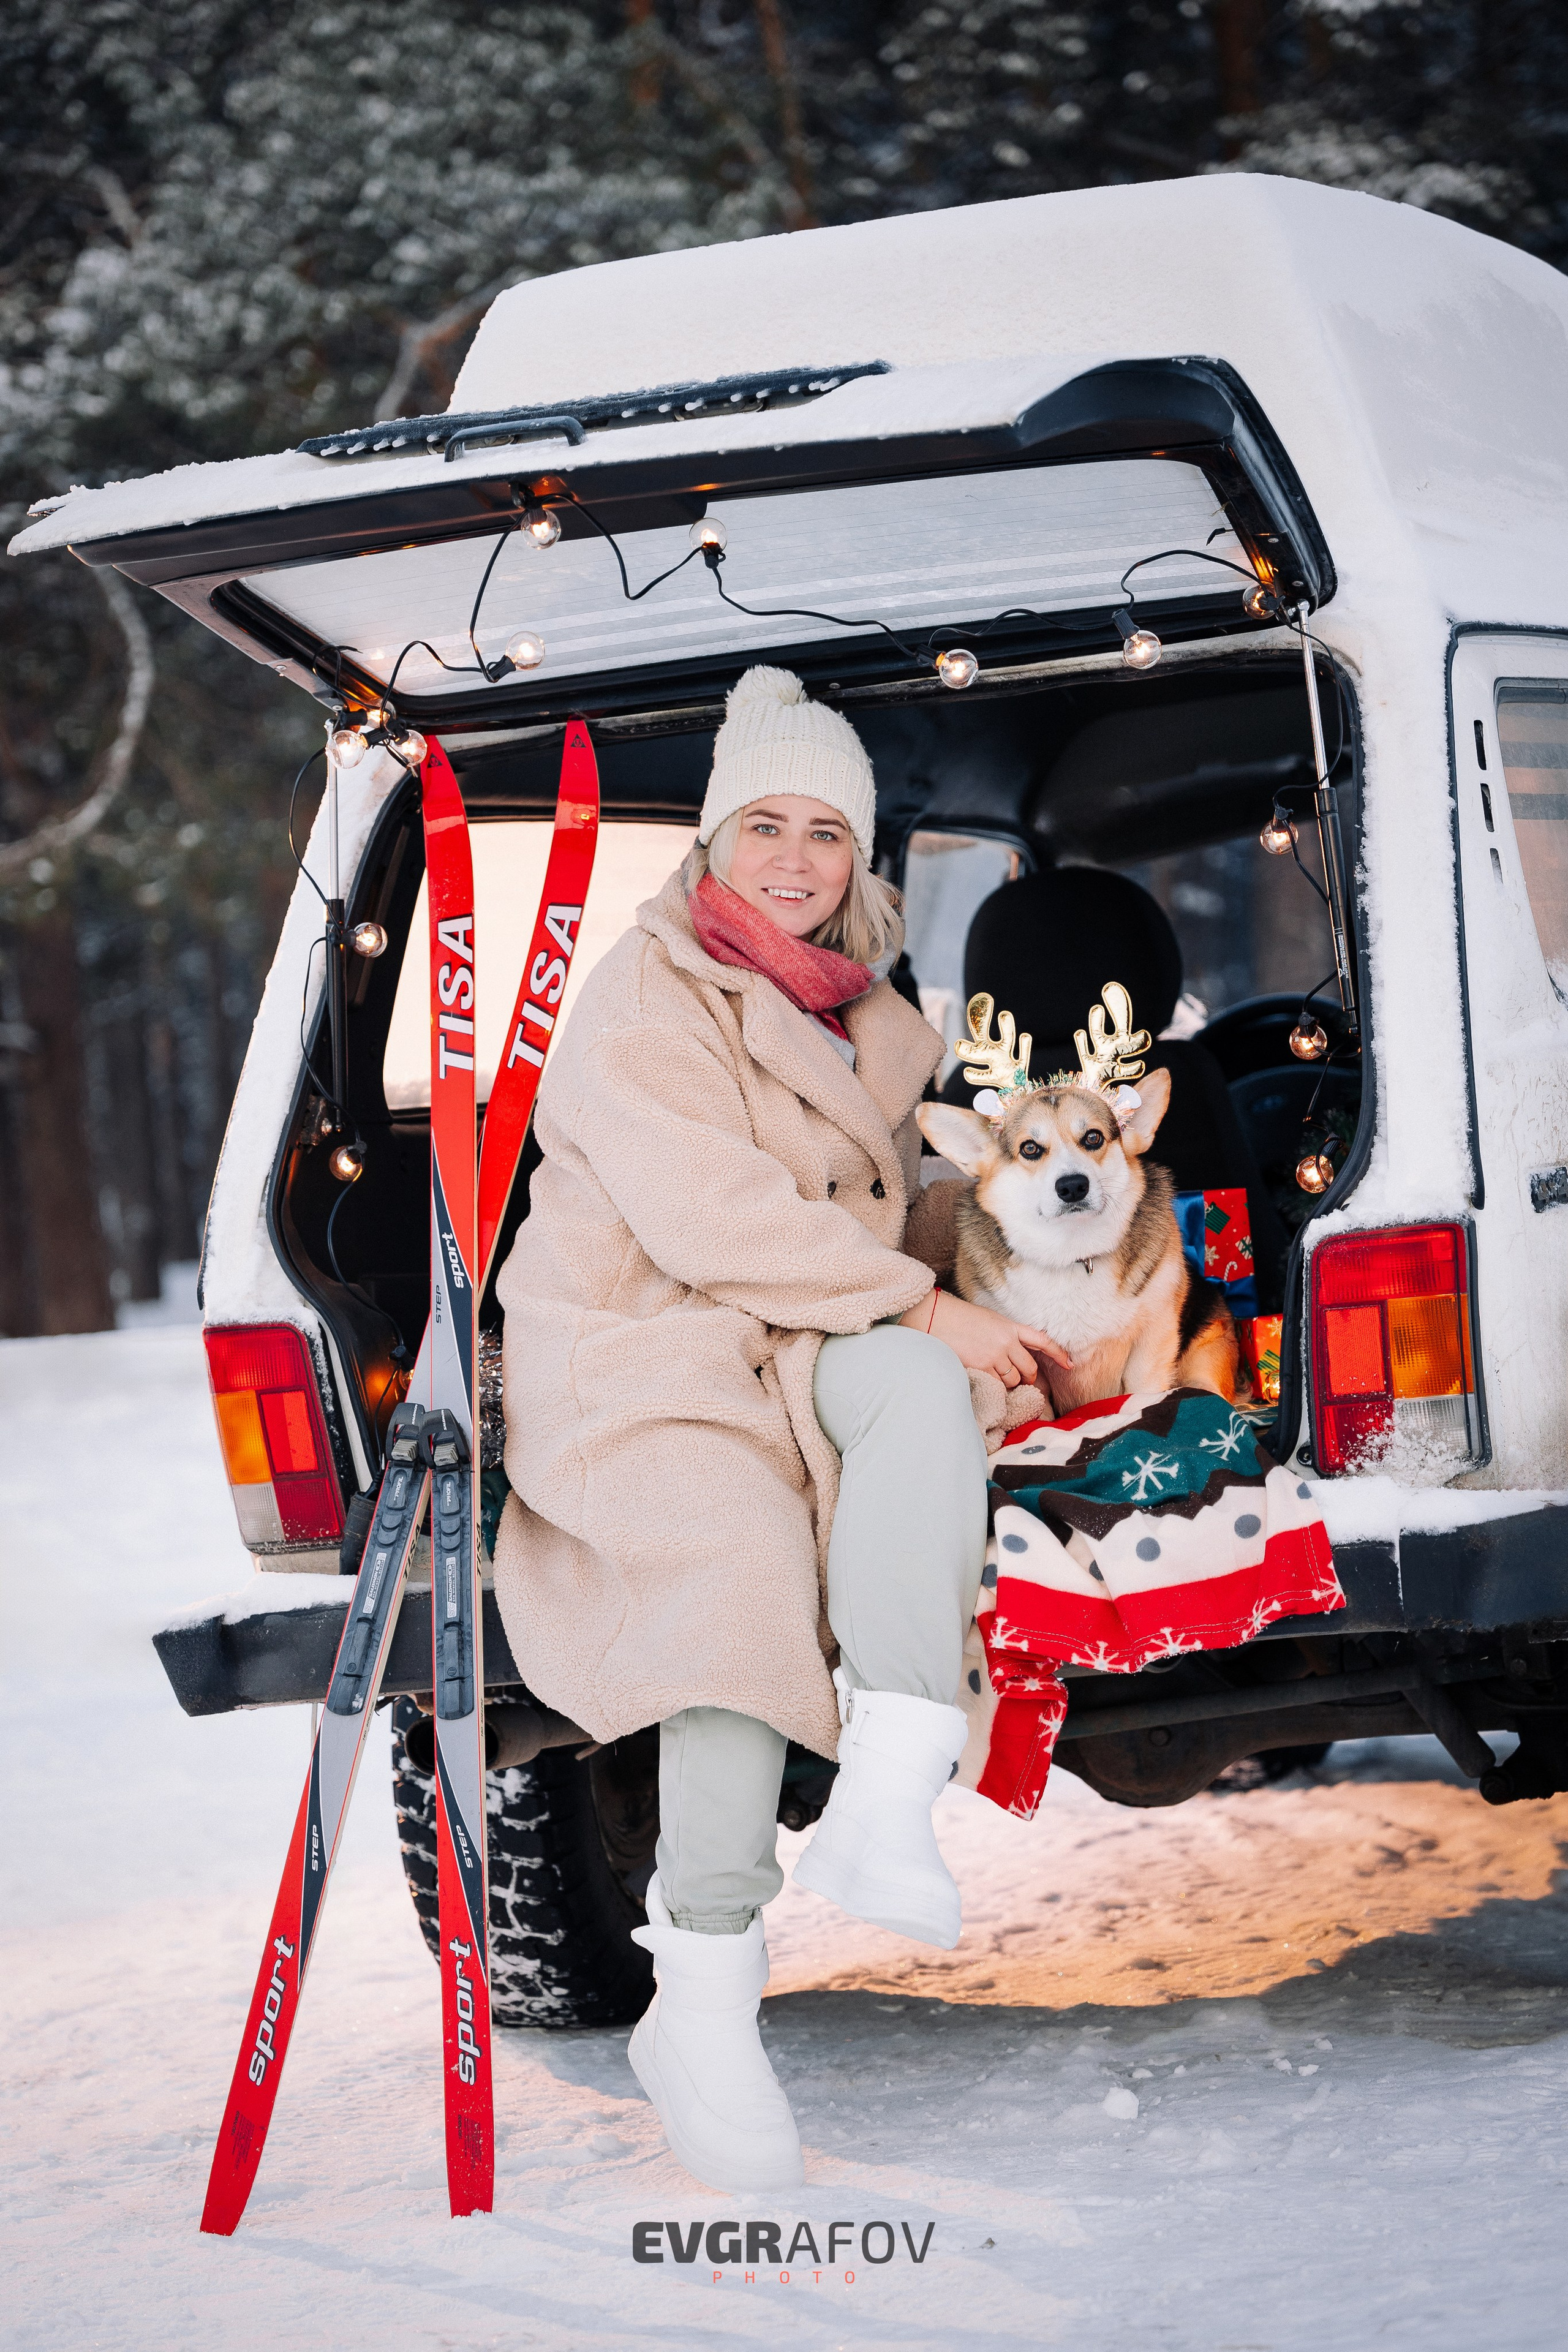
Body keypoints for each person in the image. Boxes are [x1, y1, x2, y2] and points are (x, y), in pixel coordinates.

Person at [492, 665, 1066, 2191]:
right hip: (641, 1341)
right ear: (713, 838)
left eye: (826, 832)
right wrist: (926, 1304)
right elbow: (717, 1214)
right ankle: (699, 1995)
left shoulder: (868, 1013)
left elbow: (875, 1205)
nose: (796, 859)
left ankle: (885, 1794)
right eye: (767, 825)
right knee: (737, 1560)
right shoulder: (643, 995)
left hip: (792, 1328)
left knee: (924, 1393)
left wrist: (1007, 1263)